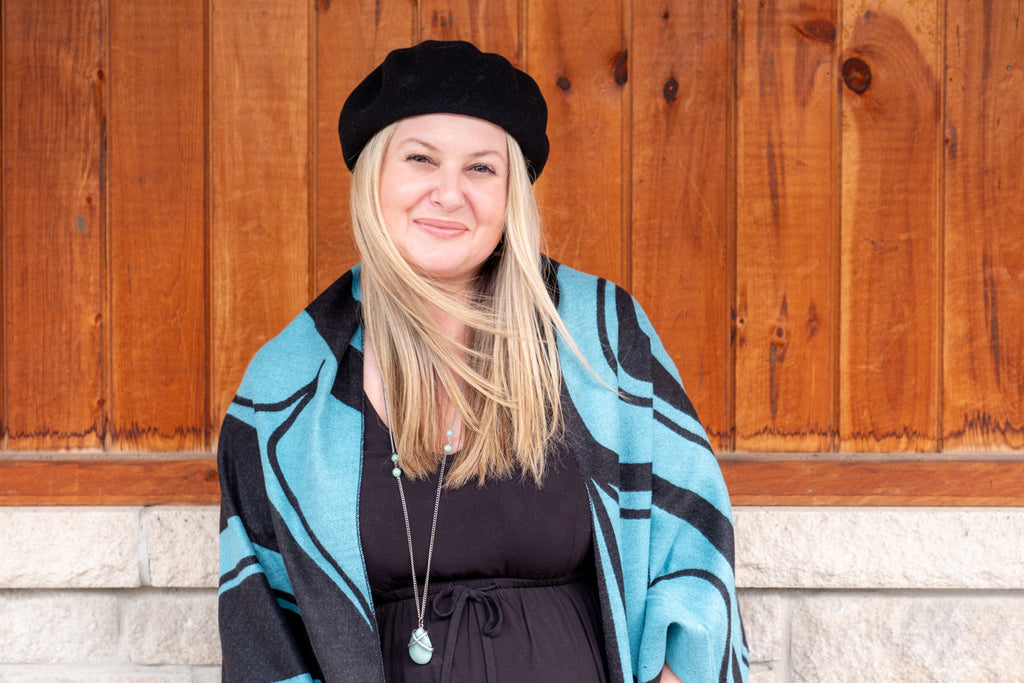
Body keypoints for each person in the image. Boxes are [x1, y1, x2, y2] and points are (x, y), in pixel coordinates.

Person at [218, 40, 748, 683]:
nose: (449, 193)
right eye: (420, 159)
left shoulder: (598, 335)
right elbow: (261, 628)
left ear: (511, 195)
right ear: (373, 178)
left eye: (480, 169)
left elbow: (692, 548)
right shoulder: (292, 382)